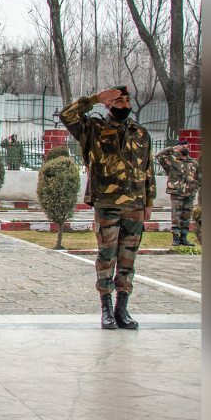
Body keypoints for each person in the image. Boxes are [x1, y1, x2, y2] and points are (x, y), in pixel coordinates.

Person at [59, 85, 155, 330]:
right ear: (108, 105)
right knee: (106, 256)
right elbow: (66, 115)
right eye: (118, 101)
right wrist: (93, 99)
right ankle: (106, 309)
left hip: (134, 204)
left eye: (126, 100)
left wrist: (149, 202)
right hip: (107, 203)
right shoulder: (93, 128)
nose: (123, 104)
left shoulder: (141, 133)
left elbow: (148, 170)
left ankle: (122, 309)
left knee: (128, 259)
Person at [155, 137, 201, 247]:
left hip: (189, 194)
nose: (186, 147)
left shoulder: (193, 162)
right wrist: (173, 149)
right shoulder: (171, 161)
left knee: (186, 216)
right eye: (183, 146)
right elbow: (159, 155)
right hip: (177, 193)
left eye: (187, 146)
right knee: (176, 216)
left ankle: (183, 238)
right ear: (179, 147)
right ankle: (175, 238)